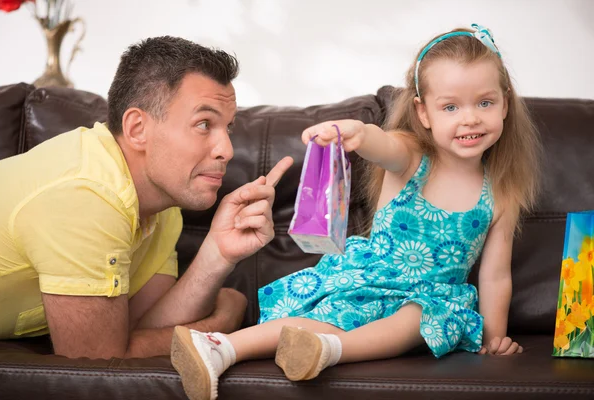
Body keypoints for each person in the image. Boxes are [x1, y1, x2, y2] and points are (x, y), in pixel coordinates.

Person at [170, 23, 542, 400]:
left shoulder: (500, 194)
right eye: (450, 106)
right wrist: (359, 134)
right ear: (424, 113)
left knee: (417, 318)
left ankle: (327, 351)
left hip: (430, 298)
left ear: (505, 104)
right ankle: (219, 347)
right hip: (370, 277)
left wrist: (495, 339)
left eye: (485, 102)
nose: (470, 118)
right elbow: (383, 145)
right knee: (321, 319)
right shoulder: (413, 156)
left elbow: (495, 277)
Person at [0, 36, 293, 359]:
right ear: (137, 128)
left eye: (228, 128)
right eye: (204, 124)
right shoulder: (87, 195)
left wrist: (218, 254)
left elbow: (144, 326)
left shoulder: (162, 205)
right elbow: (98, 360)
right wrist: (221, 325)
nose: (227, 150)